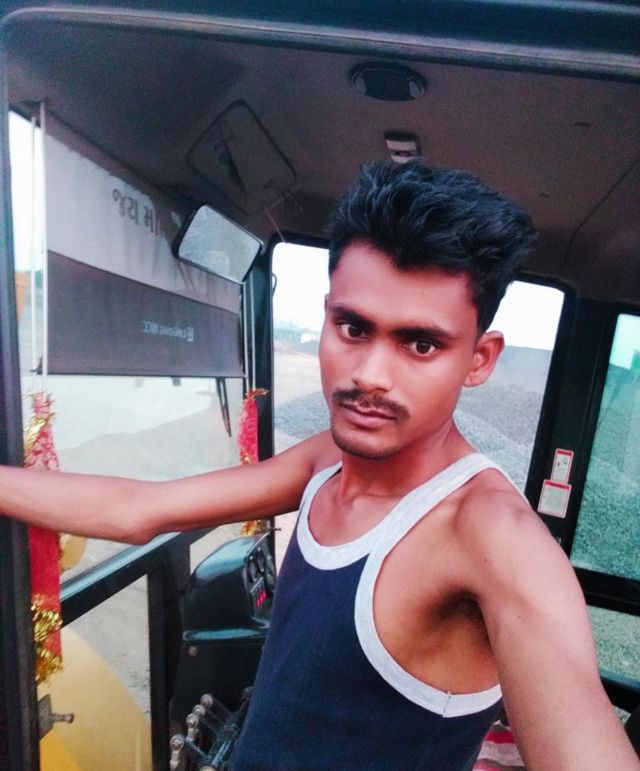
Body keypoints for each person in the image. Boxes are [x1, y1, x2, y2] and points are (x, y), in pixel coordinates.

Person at [0, 162, 637, 770]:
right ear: (326, 316)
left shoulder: (492, 536)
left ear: (480, 359)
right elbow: (139, 510)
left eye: (421, 344)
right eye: (353, 328)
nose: (370, 376)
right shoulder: (328, 460)